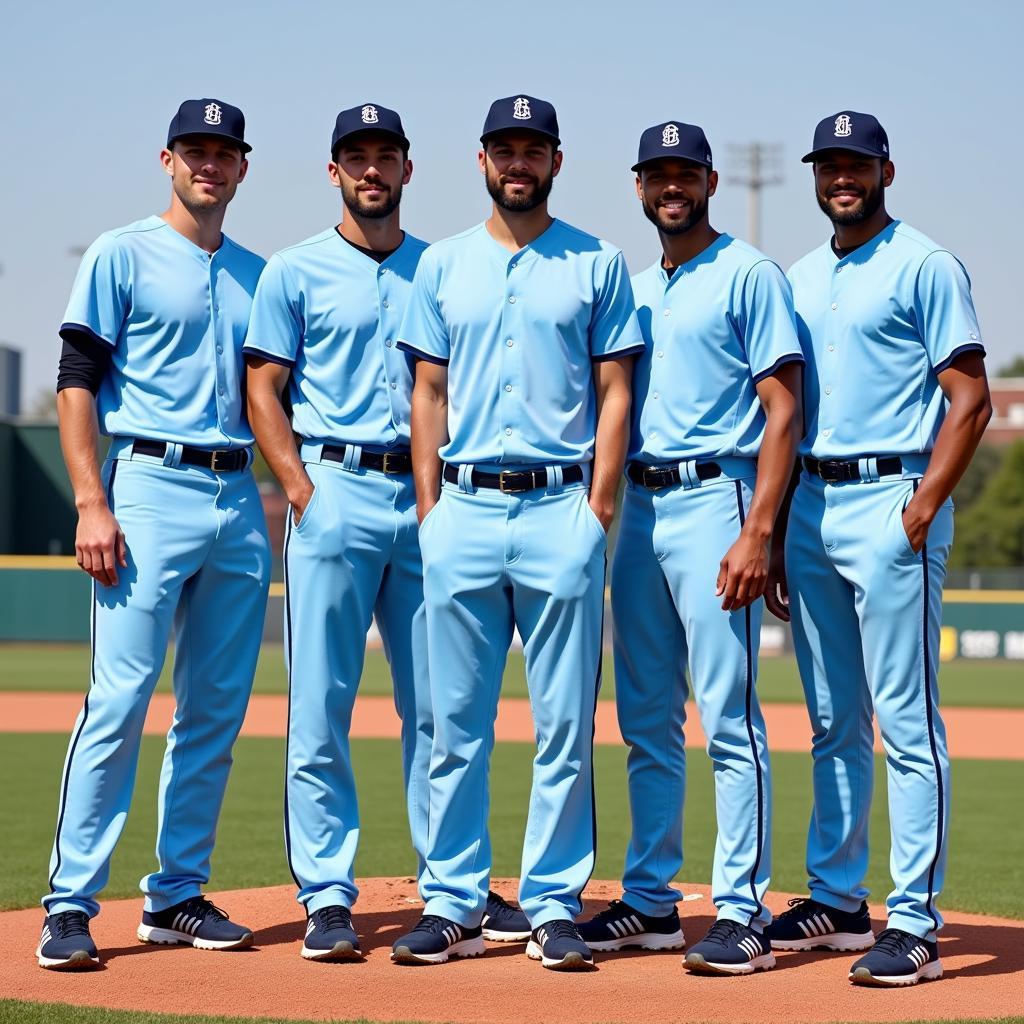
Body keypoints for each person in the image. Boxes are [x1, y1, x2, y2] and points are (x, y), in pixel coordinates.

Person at [244, 102, 530, 961]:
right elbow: (263, 388)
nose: (371, 170)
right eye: (355, 157)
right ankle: (329, 896)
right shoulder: (292, 269)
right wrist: (299, 489)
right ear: (334, 171)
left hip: (424, 501)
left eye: (386, 156)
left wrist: (437, 505)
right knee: (321, 706)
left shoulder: (442, 268)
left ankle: (455, 888)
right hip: (330, 487)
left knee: (442, 709)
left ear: (409, 169)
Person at [390, 94, 643, 971]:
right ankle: (454, 900)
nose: (518, 161)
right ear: (482, 159)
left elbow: (616, 392)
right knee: (451, 723)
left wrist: (598, 511)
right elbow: (428, 391)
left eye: (534, 147)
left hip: (560, 509)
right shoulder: (444, 265)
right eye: (505, 147)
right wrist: (430, 511)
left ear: (557, 161)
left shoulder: (597, 261)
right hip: (460, 507)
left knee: (564, 725)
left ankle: (551, 904)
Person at [38, 99, 269, 970]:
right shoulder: (120, 251)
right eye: (194, 149)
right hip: (146, 486)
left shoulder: (259, 272)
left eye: (224, 151)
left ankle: (176, 895)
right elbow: (76, 378)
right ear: (166, 159)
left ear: (243, 167)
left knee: (213, 712)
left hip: (237, 497)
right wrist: (91, 501)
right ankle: (68, 904)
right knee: (120, 698)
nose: (209, 164)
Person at [764, 111, 991, 987]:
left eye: (857, 163)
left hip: (892, 498)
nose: (842, 176)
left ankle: (916, 921)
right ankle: (838, 898)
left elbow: (968, 398)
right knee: (830, 718)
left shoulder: (925, 263)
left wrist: (924, 504)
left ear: (885, 171)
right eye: (830, 164)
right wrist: (780, 526)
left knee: (906, 722)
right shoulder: (800, 274)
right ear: (816, 175)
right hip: (814, 504)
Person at [577, 121, 803, 976]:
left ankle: (742, 910)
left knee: (730, 716)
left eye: (685, 173)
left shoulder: (748, 274)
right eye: (657, 174)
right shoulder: (632, 289)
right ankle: (650, 903)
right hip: (642, 505)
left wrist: (761, 530)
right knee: (646, 720)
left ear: (710, 181)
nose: (672, 187)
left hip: (720, 498)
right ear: (639, 187)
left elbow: (784, 409)